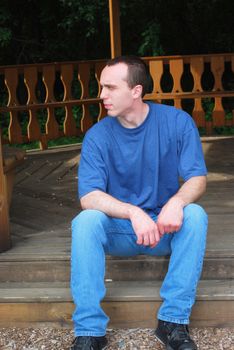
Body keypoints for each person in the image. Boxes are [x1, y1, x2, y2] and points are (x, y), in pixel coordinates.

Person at [70, 55, 208, 350]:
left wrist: (176, 202)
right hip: (122, 230)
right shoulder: (97, 136)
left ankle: (172, 322)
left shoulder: (177, 122)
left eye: (110, 87)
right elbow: (89, 197)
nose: (101, 95)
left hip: (162, 227)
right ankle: (90, 331)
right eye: (101, 87)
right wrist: (133, 212)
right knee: (86, 221)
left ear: (136, 91)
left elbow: (197, 178)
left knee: (195, 214)